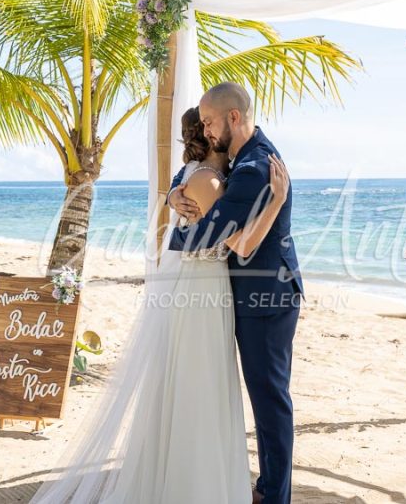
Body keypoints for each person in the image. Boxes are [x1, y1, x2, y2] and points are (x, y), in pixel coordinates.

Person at [30, 106, 290, 504]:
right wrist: (272, 201)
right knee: (208, 384)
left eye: (211, 123)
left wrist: (173, 201)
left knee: (231, 389)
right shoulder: (213, 177)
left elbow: (209, 220)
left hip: (234, 292)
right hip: (209, 291)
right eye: (205, 125)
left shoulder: (219, 170)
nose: (210, 130)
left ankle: (256, 490)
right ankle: (216, 485)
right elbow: (234, 243)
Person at [168, 82, 304, 504]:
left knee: (269, 400)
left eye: (209, 122)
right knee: (263, 395)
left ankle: (274, 496)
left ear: (233, 117)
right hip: (252, 294)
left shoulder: (252, 169)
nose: (206, 131)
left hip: (265, 298)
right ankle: (267, 487)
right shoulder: (239, 156)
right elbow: (195, 170)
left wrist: (178, 229)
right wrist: (174, 194)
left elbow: (206, 237)